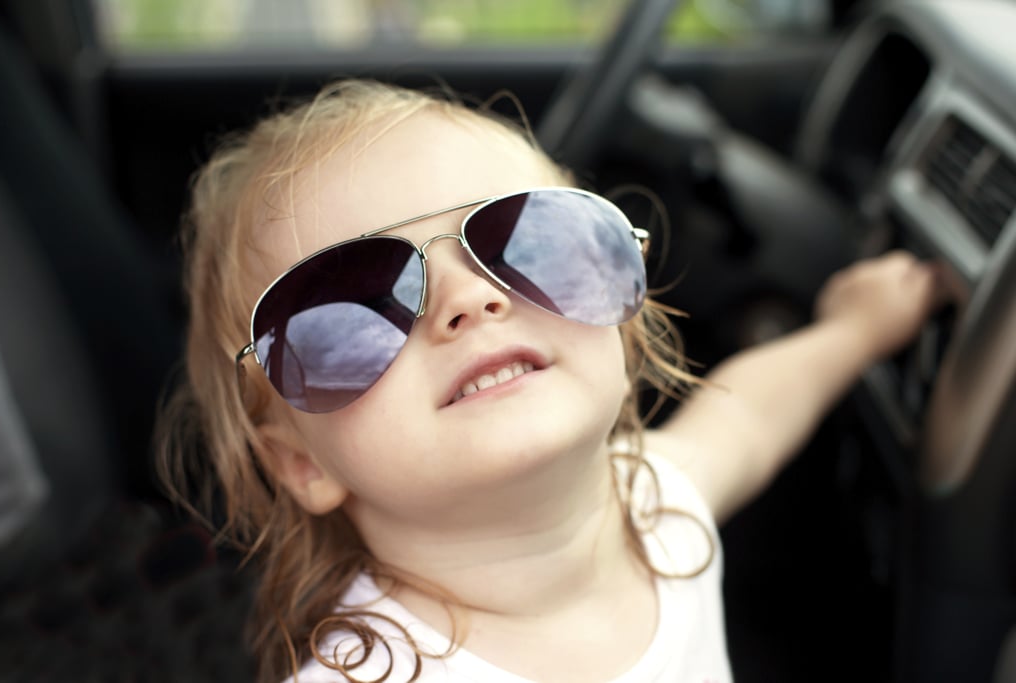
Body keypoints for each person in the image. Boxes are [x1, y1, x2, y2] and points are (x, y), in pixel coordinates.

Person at [157, 79, 942, 683]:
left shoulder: (656, 509)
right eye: (355, 307)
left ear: (623, 315)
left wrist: (855, 330)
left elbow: (753, 416)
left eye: (526, 239)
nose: (469, 298)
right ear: (303, 463)